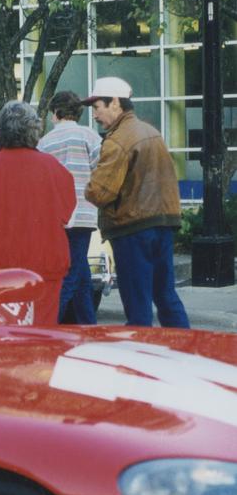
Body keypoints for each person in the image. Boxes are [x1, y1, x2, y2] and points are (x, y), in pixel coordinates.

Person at [83, 77, 189, 328]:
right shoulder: (151, 132)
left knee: (137, 304)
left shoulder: (118, 140)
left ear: (115, 103)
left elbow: (99, 193)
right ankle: (185, 346)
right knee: (165, 295)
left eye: (97, 107)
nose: (94, 115)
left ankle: (140, 349)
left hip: (132, 228)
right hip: (163, 223)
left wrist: (87, 186)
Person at [0, 101, 75, 326]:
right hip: (47, 262)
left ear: (0, 130)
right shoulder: (54, 166)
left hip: (5, 265)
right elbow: (68, 214)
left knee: (8, 331)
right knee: (43, 331)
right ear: (34, 130)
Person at [37, 91, 103, 324]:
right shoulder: (90, 136)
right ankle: (75, 323)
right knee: (76, 271)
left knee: (76, 272)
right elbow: (101, 170)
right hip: (84, 213)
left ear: (56, 112)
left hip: (57, 215)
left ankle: (73, 322)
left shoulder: (44, 142)